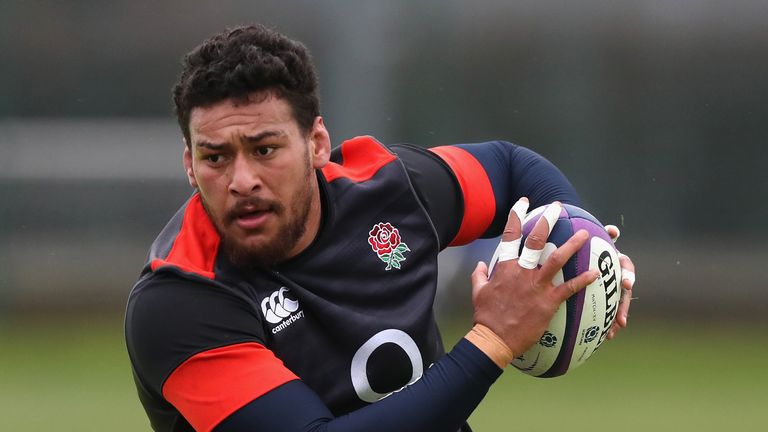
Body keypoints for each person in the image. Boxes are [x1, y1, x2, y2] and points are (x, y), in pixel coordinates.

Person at [125, 24, 636, 432]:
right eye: (215, 158)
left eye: (264, 150)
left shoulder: (389, 188)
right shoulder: (180, 298)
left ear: (317, 144)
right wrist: (494, 339)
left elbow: (509, 168)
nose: (241, 180)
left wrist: (582, 244)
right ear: (190, 166)